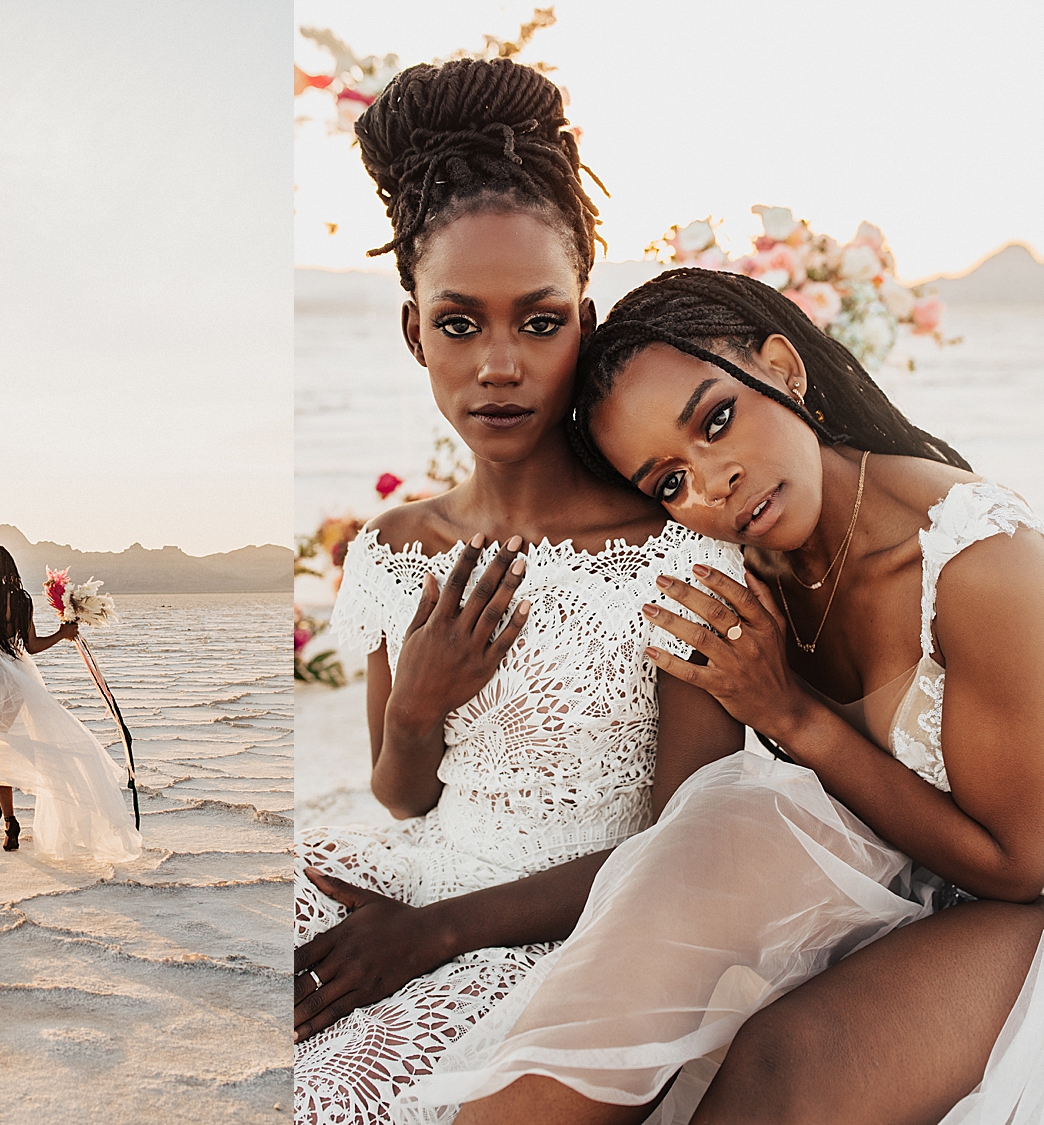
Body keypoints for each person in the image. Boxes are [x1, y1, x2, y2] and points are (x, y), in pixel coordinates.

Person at [425, 268, 1044, 1124]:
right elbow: (678, 830)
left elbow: (1021, 865)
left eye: (715, 420)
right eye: (669, 482)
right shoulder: (737, 567)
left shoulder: (982, 563)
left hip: (1021, 899)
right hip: (897, 872)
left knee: (779, 1066)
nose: (714, 483)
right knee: (706, 853)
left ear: (784, 369)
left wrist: (791, 715)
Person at [293, 60, 747, 1125]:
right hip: (416, 875)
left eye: (538, 323)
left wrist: (436, 935)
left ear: (582, 322)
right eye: (460, 324)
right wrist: (417, 706)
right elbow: (403, 797)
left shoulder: (678, 553)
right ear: (414, 330)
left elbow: (686, 856)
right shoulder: (395, 550)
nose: (499, 365)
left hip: (580, 937)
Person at [0, 544, 141, 862]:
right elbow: (31, 646)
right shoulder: (20, 600)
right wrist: (62, 634)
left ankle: (10, 821)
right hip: (15, 675)